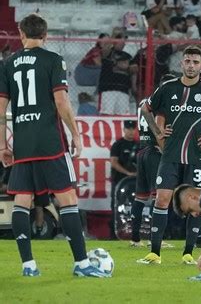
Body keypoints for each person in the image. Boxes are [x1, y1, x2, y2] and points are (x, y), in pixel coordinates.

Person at [0, 14, 108, 277]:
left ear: (22, 34)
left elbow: (1, 110)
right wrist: (76, 134)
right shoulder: (52, 60)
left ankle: (28, 265)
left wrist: (2, 144)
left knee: (22, 202)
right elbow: (61, 103)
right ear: (45, 35)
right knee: (67, 199)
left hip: (23, 144)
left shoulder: (8, 64)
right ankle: (82, 264)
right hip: (50, 141)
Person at [136, 45, 201, 265]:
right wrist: (157, 132)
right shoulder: (168, 87)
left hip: (198, 155)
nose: (191, 65)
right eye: (188, 61)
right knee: (162, 199)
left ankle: (188, 254)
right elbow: (146, 108)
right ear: (181, 63)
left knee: (196, 205)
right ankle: (154, 253)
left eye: (195, 62)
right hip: (170, 154)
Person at [130, 74, 175, 247]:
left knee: (140, 197)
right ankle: (155, 239)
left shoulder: (144, 102)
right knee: (159, 196)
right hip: (155, 151)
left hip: (142, 149)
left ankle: (135, 239)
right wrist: (165, 150)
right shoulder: (161, 101)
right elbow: (159, 128)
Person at [98, 50, 136, 115]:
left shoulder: (129, 70)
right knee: (106, 113)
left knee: (123, 115)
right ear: (115, 62)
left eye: (127, 61)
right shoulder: (107, 63)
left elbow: (134, 69)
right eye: (123, 61)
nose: (126, 63)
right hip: (108, 90)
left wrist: (133, 86)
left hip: (123, 91)